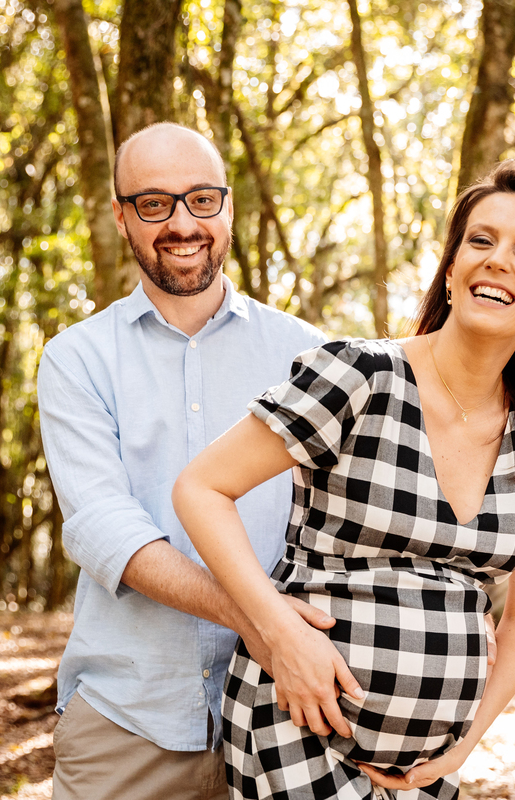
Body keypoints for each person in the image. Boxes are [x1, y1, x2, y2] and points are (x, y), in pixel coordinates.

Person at [173, 159, 515, 799]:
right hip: (296, 728)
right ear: (453, 271)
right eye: (480, 241)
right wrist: (276, 630)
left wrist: (465, 742)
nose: (497, 261)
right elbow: (201, 489)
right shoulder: (361, 376)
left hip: (425, 772)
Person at [37, 122, 336, 800]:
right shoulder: (76, 359)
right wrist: (261, 619)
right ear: (121, 216)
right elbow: (108, 530)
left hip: (287, 714)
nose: (182, 223)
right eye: (154, 203)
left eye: (202, 199)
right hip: (129, 721)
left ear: (228, 208)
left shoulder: (311, 356)